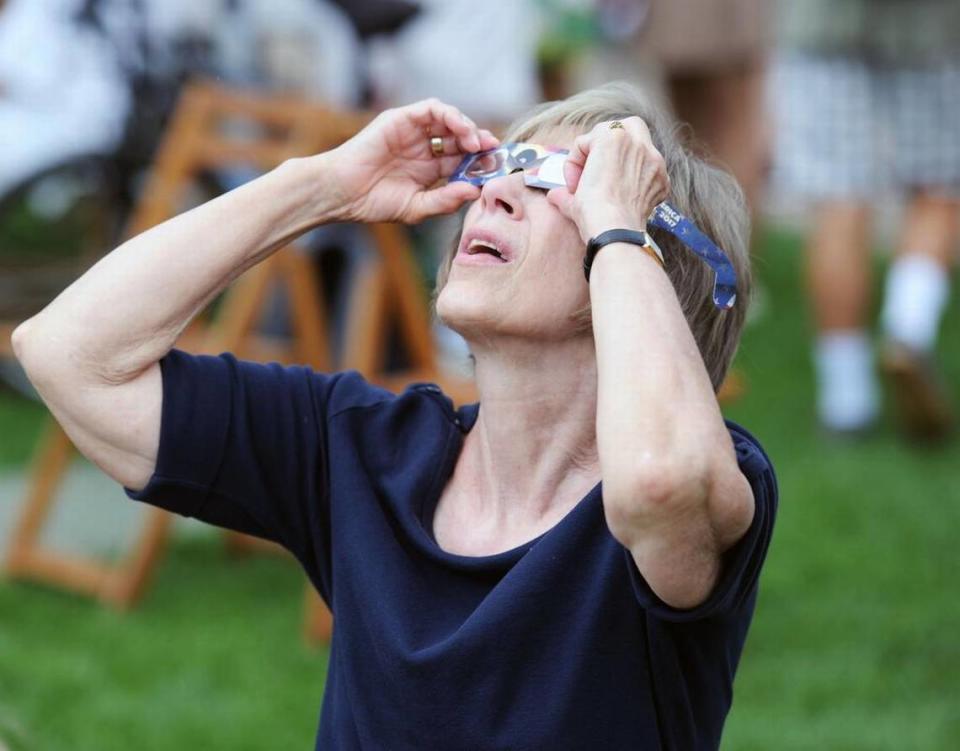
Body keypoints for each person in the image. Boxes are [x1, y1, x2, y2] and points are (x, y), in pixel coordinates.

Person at [12, 83, 777, 749]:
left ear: (645, 268)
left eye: (556, 184)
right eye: (499, 169)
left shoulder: (715, 480)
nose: (495, 194)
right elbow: (69, 355)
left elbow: (658, 482)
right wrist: (323, 187)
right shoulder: (364, 450)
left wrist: (616, 227)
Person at [772, 0, 960, 439]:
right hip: (929, 30)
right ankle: (907, 331)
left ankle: (846, 401)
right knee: (939, 186)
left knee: (840, 201)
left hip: (825, 26)